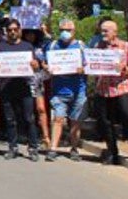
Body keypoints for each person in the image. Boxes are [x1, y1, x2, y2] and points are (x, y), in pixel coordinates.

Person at [93, 19, 128, 165]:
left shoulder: (125, 46)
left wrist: (123, 69)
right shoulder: (98, 47)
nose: (103, 33)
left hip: (120, 88)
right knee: (106, 122)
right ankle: (112, 152)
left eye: (106, 31)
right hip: (103, 90)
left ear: (114, 32)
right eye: (102, 31)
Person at [0, 18, 41, 161]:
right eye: (10, 30)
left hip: (24, 87)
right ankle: (12, 147)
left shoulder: (27, 46)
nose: (13, 32)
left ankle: (33, 147)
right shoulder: (0, 47)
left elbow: (35, 66)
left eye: (15, 29)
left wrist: (35, 65)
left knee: (29, 118)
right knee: (10, 119)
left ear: (19, 30)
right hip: (7, 87)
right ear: (6, 32)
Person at [44, 19, 86, 161]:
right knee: (58, 118)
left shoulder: (80, 46)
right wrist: (47, 68)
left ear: (74, 31)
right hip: (58, 91)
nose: (65, 33)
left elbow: (89, 65)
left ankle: (74, 148)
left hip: (78, 90)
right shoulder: (53, 46)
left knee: (75, 121)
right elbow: (44, 62)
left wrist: (82, 69)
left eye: (68, 30)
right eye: (62, 29)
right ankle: (53, 149)